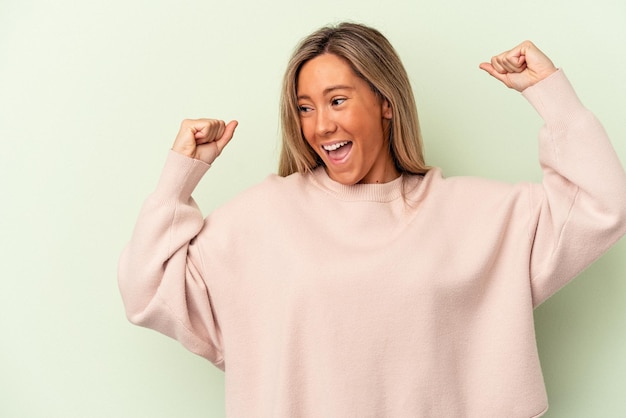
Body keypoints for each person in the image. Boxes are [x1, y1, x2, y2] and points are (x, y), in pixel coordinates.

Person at [118, 22, 626, 417]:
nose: (321, 126)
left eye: (337, 100)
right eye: (305, 108)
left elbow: (602, 204)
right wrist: (180, 175)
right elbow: (146, 290)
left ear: (386, 102)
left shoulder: (476, 215)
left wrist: (552, 95)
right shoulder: (260, 219)